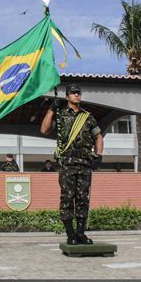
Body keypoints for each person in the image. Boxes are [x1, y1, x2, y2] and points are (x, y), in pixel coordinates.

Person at [40, 84, 103, 245]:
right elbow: (44, 130)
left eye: (78, 92)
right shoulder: (61, 116)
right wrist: (51, 110)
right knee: (67, 199)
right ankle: (70, 234)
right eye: (73, 93)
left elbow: (98, 136)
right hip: (67, 164)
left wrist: (99, 155)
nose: (76, 95)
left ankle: (81, 233)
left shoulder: (87, 117)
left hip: (84, 164)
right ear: (67, 97)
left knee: (83, 199)